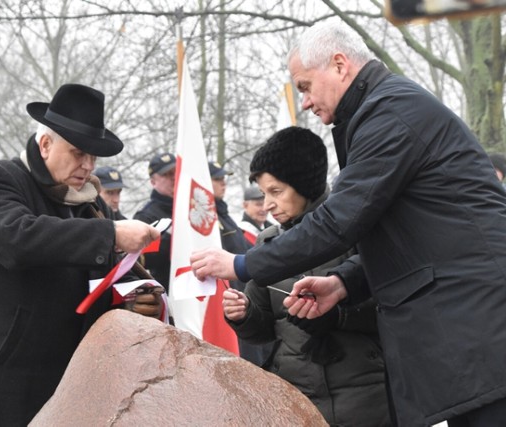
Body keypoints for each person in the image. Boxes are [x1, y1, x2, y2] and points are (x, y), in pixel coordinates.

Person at [191, 21, 506, 427]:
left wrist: (239, 265)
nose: (303, 102)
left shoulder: (390, 113)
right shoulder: (384, 111)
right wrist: (344, 283)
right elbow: (406, 236)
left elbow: (338, 221)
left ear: (339, 65)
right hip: (471, 329)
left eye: (304, 86)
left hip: (479, 327)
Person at [0, 84, 161, 427]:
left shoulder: (92, 206)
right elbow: (18, 240)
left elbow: (107, 275)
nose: (87, 166)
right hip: (1, 381)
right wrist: (112, 234)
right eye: (77, 153)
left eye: (93, 157)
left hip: (68, 379)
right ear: (45, 144)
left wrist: (136, 298)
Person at [222, 127, 389, 426]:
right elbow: (264, 329)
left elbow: (390, 306)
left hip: (369, 398)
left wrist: (338, 317)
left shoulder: (357, 231)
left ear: (304, 185)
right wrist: (244, 314)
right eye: (263, 194)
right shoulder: (267, 244)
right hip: (297, 401)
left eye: (277, 192)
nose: (267, 204)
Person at [209, 160, 270, 366]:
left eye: (223, 179)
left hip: (243, 298)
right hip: (228, 301)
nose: (223, 183)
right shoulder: (214, 218)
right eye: (217, 179)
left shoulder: (225, 216)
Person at [133, 152, 176, 293]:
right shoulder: (145, 216)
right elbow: (144, 261)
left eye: (176, 172)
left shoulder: (191, 207)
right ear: (153, 181)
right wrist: (172, 234)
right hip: (168, 291)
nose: (173, 178)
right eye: (166, 174)